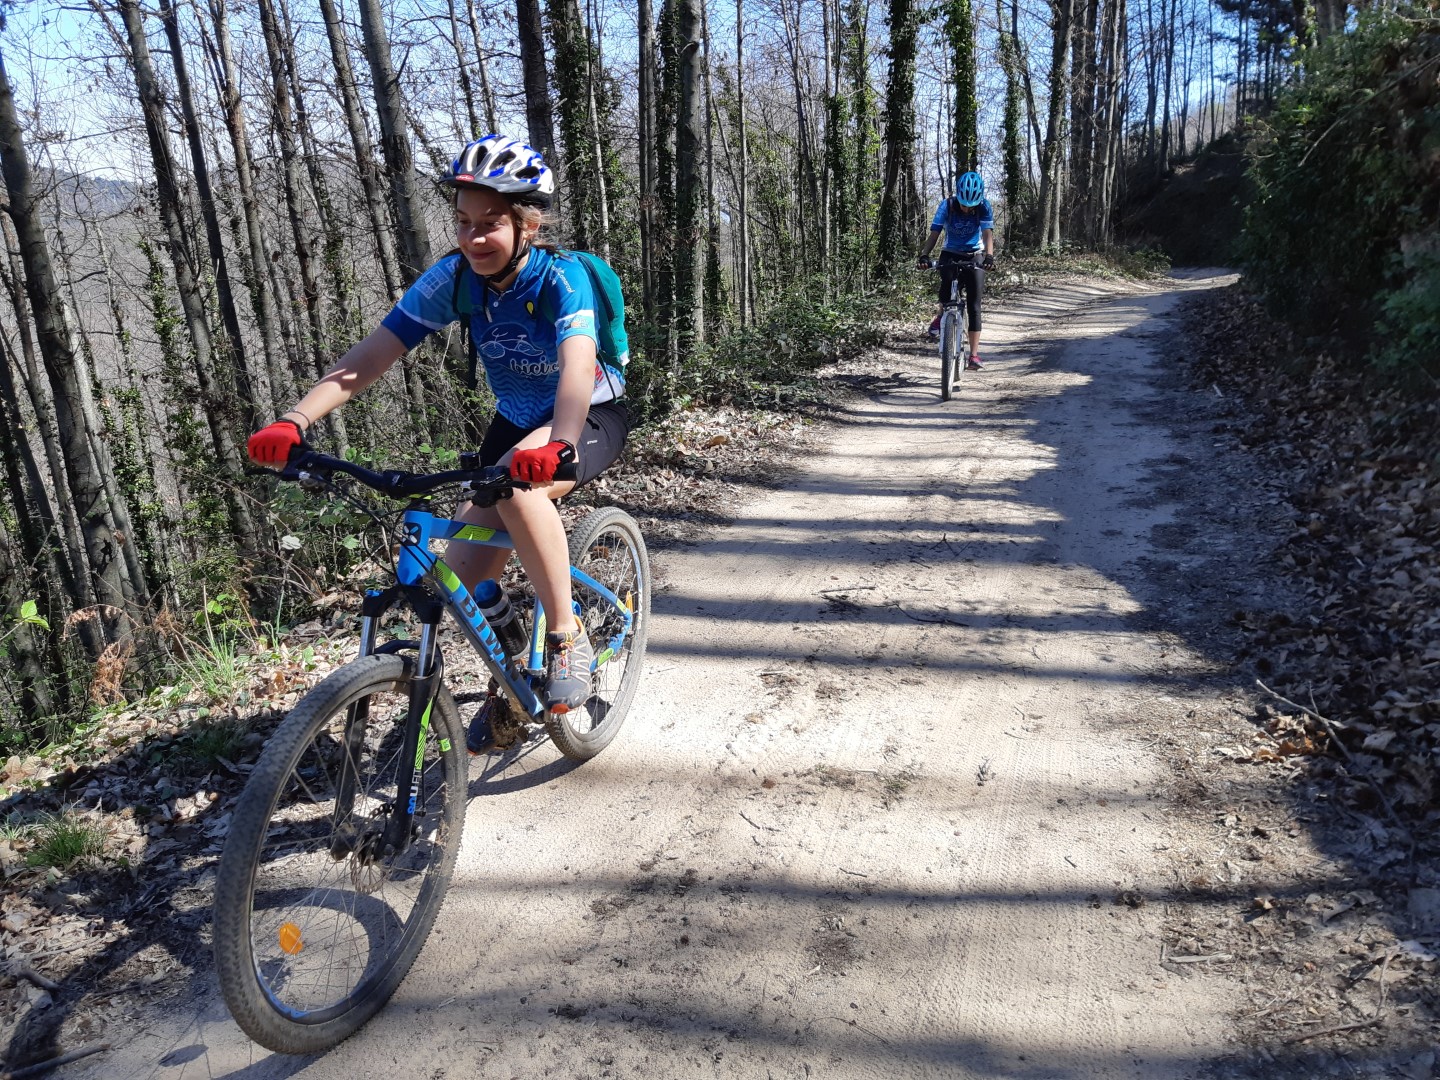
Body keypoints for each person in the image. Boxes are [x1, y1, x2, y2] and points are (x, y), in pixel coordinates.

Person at [245, 134, 628, 735]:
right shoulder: (453, 279)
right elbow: (371, 357)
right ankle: (515, 676)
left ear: (527, 224)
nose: (473, 238)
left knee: (520, 490)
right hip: (515, 420)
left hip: (585, 414)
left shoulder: (561, 279)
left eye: (490, 223)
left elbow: (577, 367)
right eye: (464, 222)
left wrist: (560, 442)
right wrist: (295, 420)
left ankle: (564, 634)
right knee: (464, 573)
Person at [917, 171, 995, 371]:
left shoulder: (984, 206)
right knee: (946, 288)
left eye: (971, 205)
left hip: (974, 254)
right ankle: (942, 315)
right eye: (964, 204)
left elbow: (987, 233)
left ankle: (974, 356)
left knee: (974, 305)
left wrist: (989, 257)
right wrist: (924, 255)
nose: (967, 209)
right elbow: (935, 233)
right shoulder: (947, 205)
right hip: (950, 252)